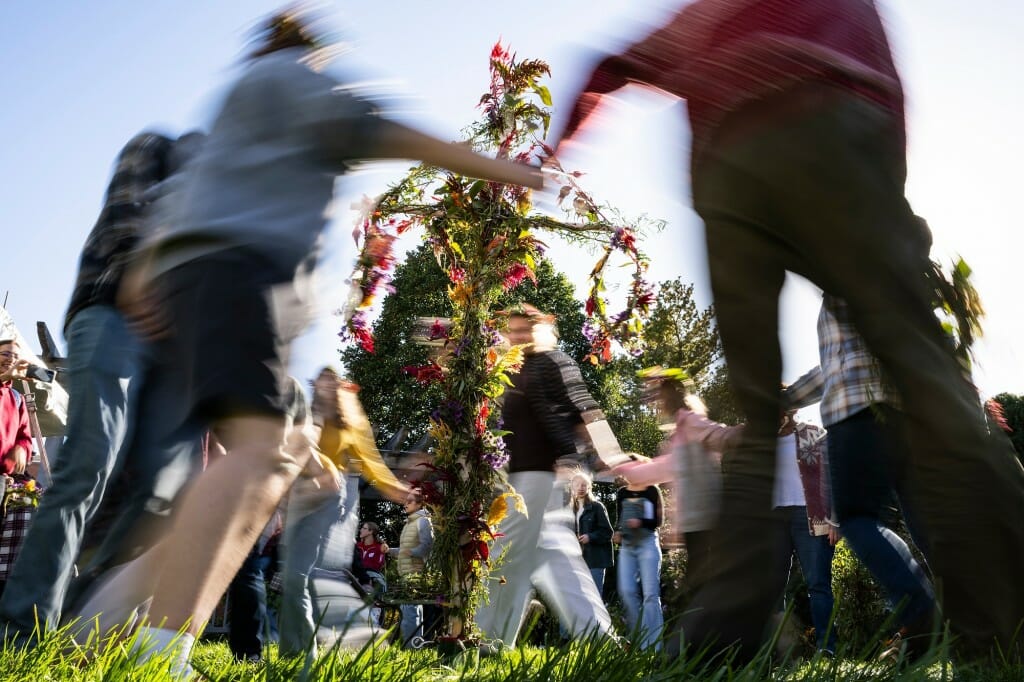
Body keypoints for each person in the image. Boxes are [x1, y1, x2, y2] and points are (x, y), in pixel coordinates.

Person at [555, 0, 1024, 659]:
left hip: (728, 163)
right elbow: (887, 86)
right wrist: (881, 190)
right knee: (933, 385)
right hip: (836, 118)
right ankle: (1001, 624)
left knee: (755, 405)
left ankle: (719, 641)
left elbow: (628, 58)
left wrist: (563, 144)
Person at [108, 11, 541, 676]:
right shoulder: (288, 76)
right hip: (244, 270)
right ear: (312, 49)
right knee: (266, 449)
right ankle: (158, 649)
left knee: (266, 453)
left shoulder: (238, 103)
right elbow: (373, 127)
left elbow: (180, 196)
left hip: (203, 276)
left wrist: (143, 268)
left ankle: (104, 624)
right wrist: (497, 167)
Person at [0, 133, 205, 645]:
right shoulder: (157, 149)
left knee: (165, 489)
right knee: (89, 465)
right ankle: (21, 628)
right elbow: (124, 215)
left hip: (172, 349)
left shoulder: (230, 201)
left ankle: (84, 626)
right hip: (112, 313)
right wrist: (147, 270)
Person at [785, 294, 936, 657]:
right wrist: (789, 397)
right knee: (924, 523)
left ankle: (922, 616)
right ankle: (975, 618)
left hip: (856, 412)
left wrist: (782, 399)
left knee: (856, 518)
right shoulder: (871, 276)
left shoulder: (838, 289)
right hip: (901, 414)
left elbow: (837, 369)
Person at [475, 305, 617, 647]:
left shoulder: (552, 361)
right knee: (550, 558)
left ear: (542, 330)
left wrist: (608, 454)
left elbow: (585, 406)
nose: (518, 336)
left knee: (505, 558)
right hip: (528, 479)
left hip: (540, 476)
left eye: (525, 330)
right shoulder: (512, 369)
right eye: (513, 331)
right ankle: (599, 639)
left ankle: (483, 638)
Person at [613, 475, 664, 651]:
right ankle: (637, 639)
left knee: (650, 594)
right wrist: (617, 532)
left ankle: (654, 645)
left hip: (647, 543)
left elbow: (657, 521)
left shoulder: (651, 490)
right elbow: (620, 520)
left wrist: (640, 521)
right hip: (627, 546)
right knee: (626, 591)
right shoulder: (622, 493)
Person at [395, 489, 433, 646]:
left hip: (415, 571)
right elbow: (406, 550)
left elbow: (427, 545)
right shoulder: (411, 522)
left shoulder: (423, 521)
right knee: (411, 610)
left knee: (411, 612)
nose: (406, 504)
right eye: (405, 500)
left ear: (419, 504)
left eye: (409, 501)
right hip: (407, 571)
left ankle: (411, 648)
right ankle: (414, 645)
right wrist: (389, 551)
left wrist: (410, 552)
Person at [568, 471, 613, 598]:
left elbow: (607, 532)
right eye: (577, 485)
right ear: (572, 487)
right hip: (576, 561)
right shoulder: (570, 510)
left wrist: (590, 537)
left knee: (594, 600)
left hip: (595, 560)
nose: (580, 488)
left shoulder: (597, 507)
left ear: (589, 487)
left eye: (584, 485)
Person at [0, 340, 32, 477]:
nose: (11, 359)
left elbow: (25, 437)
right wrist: (5, 377)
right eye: (6, 354)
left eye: (16, 356)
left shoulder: (18, 398)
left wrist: (21, 448)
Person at [354, 522, 388, 596]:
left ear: (371, 531)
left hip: (373, 577)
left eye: (364, 528)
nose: (361, 530)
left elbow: (377, 565)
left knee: (375, 579)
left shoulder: (380, 547)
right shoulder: (357, 546)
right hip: (357, 577)